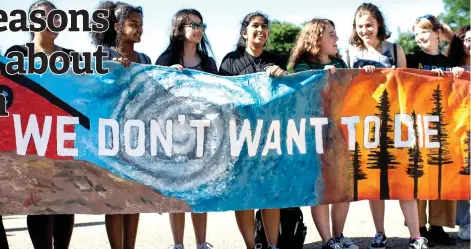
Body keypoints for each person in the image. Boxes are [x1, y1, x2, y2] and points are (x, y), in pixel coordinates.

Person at [345, 3, 427, 249]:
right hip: (366, 123)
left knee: (403, 179)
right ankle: (379, 232)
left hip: (395, 122)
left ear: (379, 24)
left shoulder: (395, 49)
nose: (364, 30)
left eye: (369, 25)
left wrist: (393, 75)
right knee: (374, 180)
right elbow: (347, 86)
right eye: (360, 26)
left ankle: (415, 236)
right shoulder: (350, 51)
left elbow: (406, 84)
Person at [5, 1, 76, 249]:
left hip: (62, 142)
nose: (54, 22)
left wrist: (123, 70)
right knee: (39, 204)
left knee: (65, 203)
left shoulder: (72, 58)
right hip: (30, 142)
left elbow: (96, 89)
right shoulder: (15, 55)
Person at [287, 18, 357, 249]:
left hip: (339, 133)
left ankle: (339, 235)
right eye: (331, 34)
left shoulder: (340, 61)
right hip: (314, 135)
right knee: (322, 186)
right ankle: (328, 240)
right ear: (317, 38)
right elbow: (303, 97)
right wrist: (322, 78)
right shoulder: (302, 66)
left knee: (343, 186)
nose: (336, 39)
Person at [219, 11, 286, 249]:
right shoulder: (230, 61)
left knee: (270, 194)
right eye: (255, 25)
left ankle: (272, 244)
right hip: (241, 138)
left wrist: (283, 76)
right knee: (244, 195)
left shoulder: (277, 59)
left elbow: (289, 94)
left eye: (264, 26)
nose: (261, 30)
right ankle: (251, 245)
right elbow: (222, 98)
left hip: (270, 137)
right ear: (244, 31)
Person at [155, 8, 216, 249]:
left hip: (202, 135)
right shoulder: (164, 60)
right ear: (179, 29)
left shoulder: (209, 62)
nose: (199, 29)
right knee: (176, 192)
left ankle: (202, 243)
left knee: (199, 192)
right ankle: (177, 244)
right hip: (173, 135)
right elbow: (153, 96)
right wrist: (167, 77)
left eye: (201, 25)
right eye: (193, 25)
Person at [90, 2, 150, 249]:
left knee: (134, 199)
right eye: (133, 24)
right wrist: (113, 70)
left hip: (137, 138)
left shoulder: (145, 58)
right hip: (110, 137)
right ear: (117, 27)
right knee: (115, 201)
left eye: (141, 25)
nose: (139, 29)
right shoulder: (101, 55)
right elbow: (92, 92)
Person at [406, 15, 465, 247]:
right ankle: (419, 226)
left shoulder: (450, 63)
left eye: (425, 31)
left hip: (444, 126)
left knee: (442, 173)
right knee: (420, 175)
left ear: (437, 33)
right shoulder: (411, 60)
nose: (420, 37)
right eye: (417, 33)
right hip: (418, 125)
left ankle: (438, 225)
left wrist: (456, 77)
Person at [447, 24, 471, 241]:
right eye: (467, 39)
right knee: (464, 176)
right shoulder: (453, 67)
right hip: (460, 128)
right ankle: (465, 223)